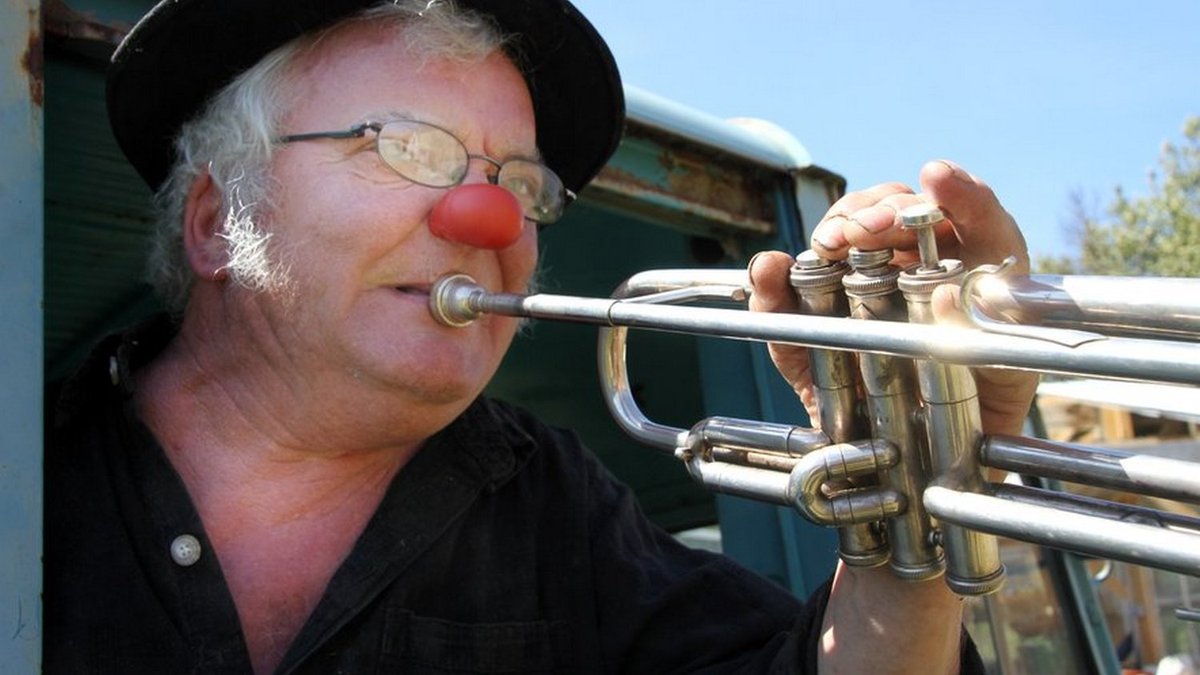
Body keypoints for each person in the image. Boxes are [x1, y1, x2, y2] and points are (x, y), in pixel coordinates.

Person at [43, 0, 1036, 673]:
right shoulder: (30, 471)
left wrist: (918, 496)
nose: (490, 221)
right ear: (221, 219)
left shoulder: (557, 508)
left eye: (522, 185)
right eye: (408, 147)